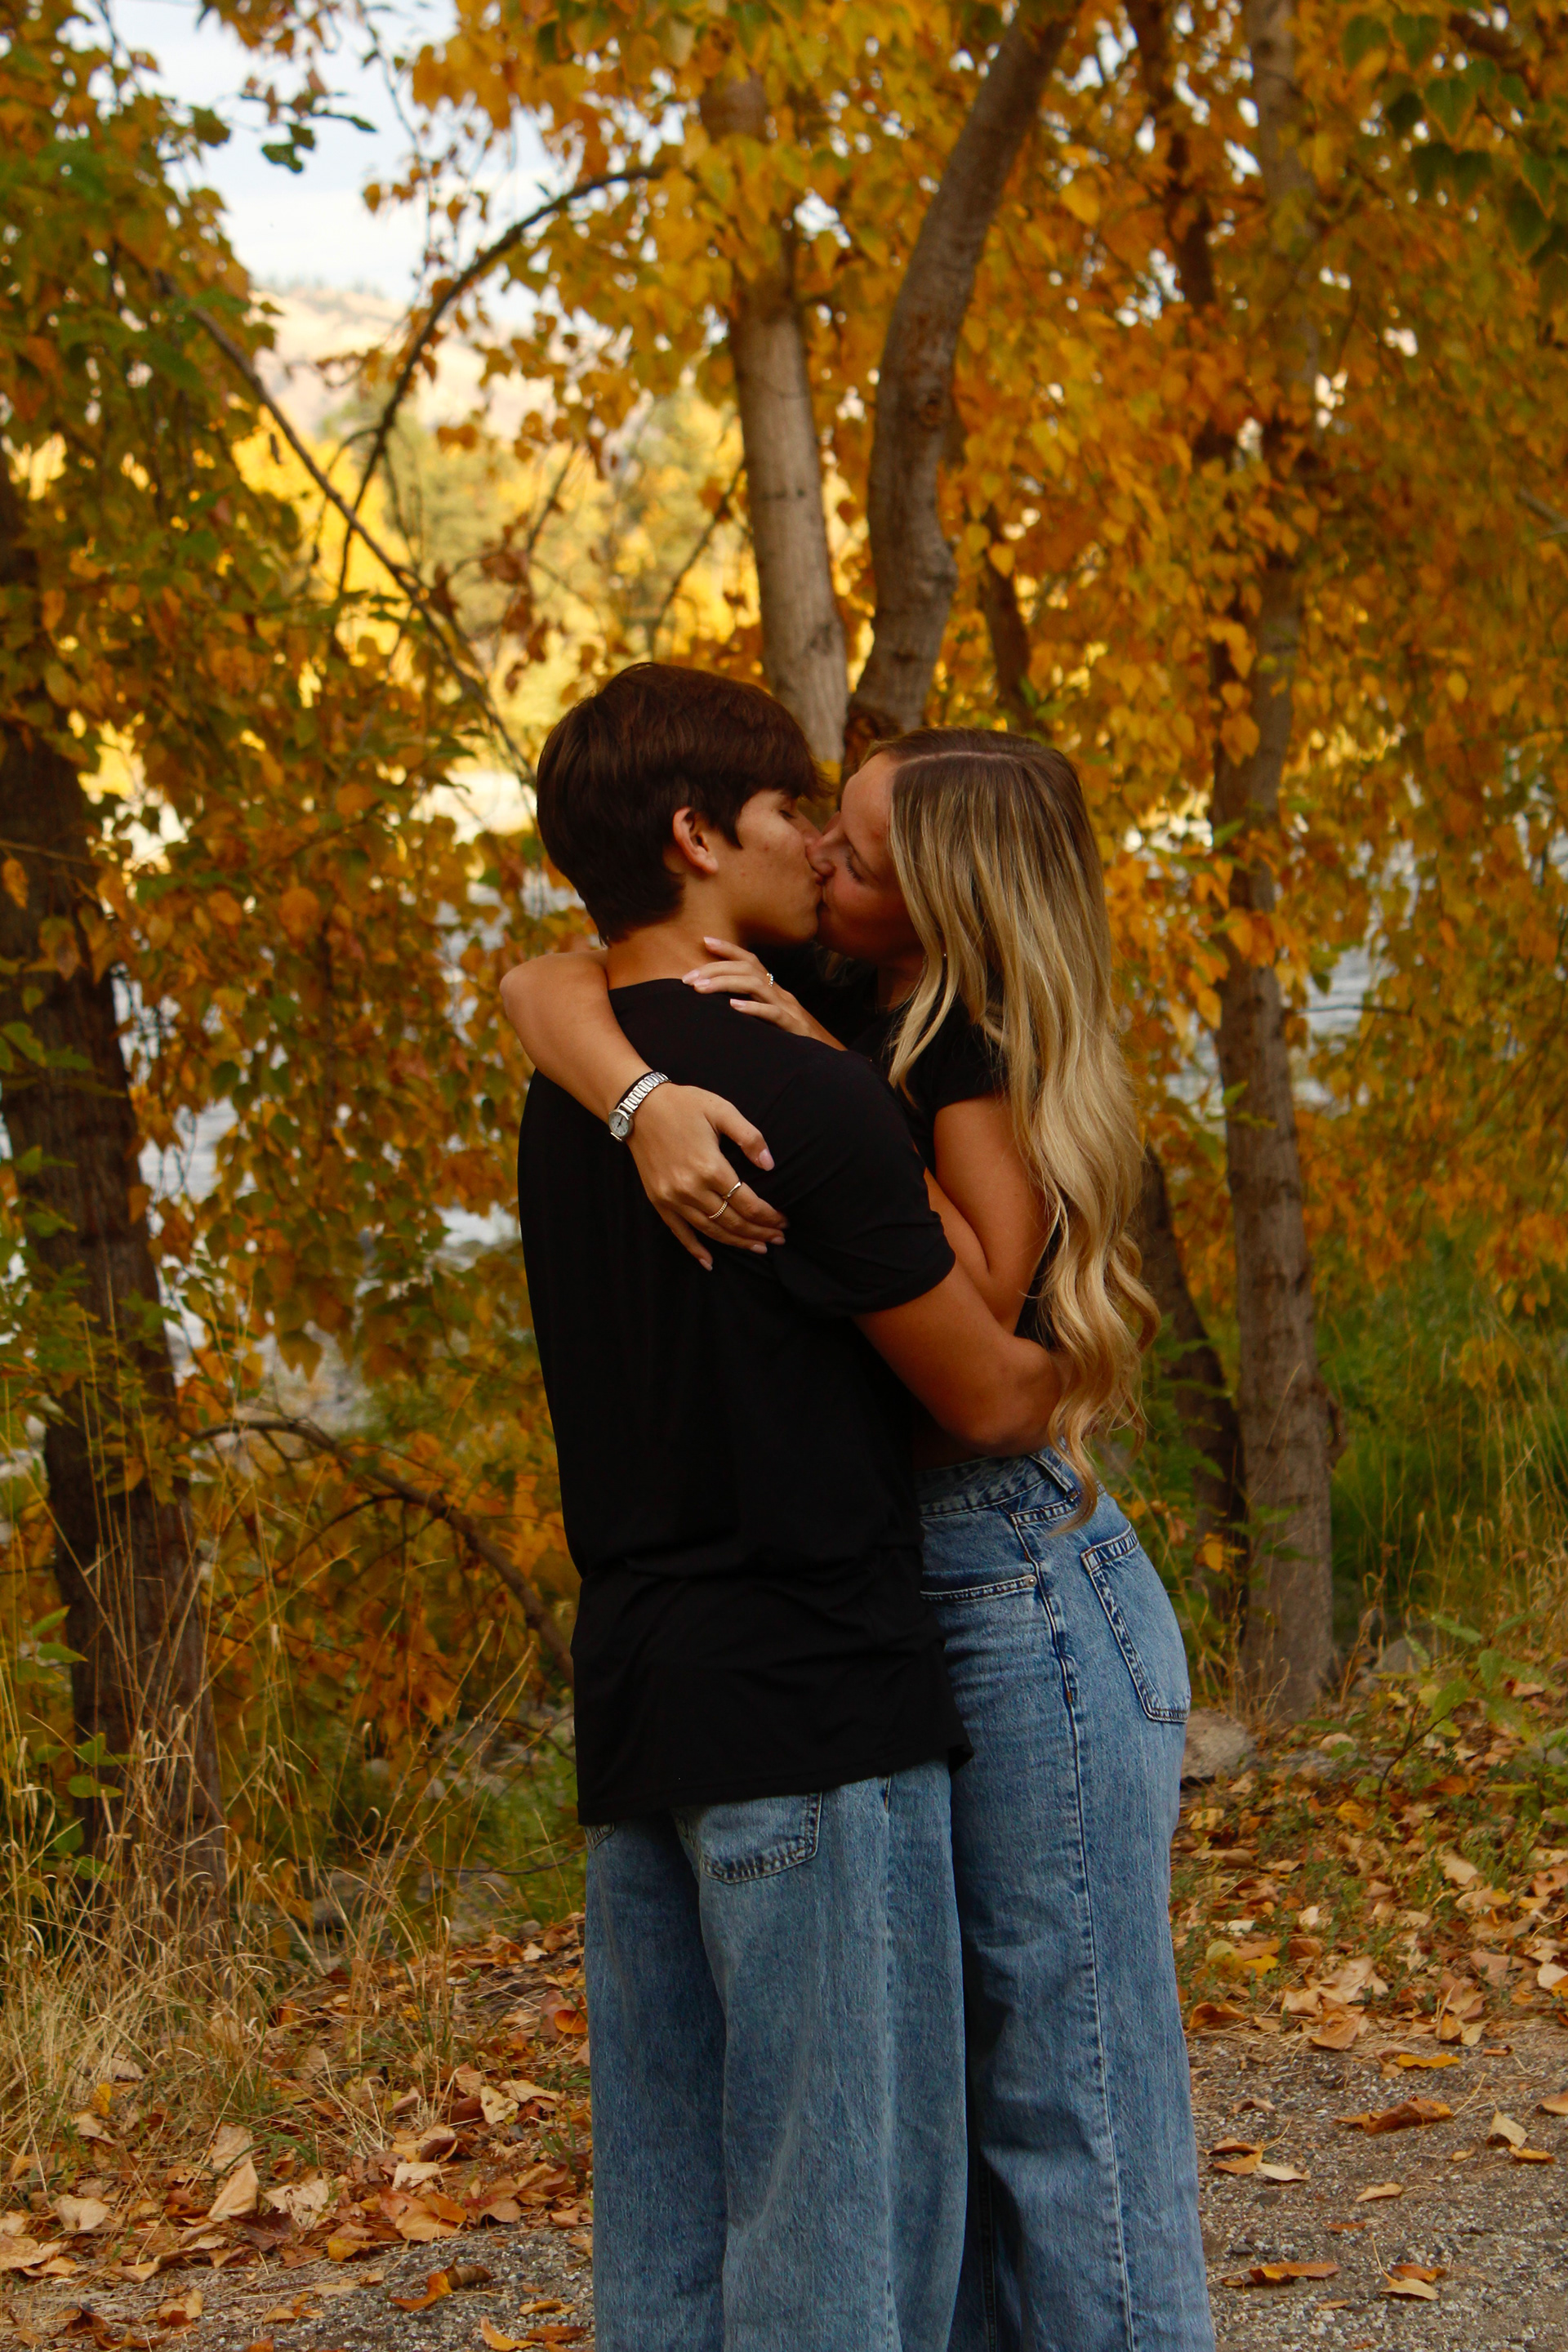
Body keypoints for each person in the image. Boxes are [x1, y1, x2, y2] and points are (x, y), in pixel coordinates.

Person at [504, 722, 1216, 2352]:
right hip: (872, 1582)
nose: (823, 851)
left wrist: (840, 1106)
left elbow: (991, 1355)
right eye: (817, 821)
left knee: (1066, 2094)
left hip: (1013, 1575)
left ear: (945, 897)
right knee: (921, 2113)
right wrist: (639, 1099)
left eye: (861, 849)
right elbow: (545, 980)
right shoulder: (803, 987)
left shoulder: (962, 1041)